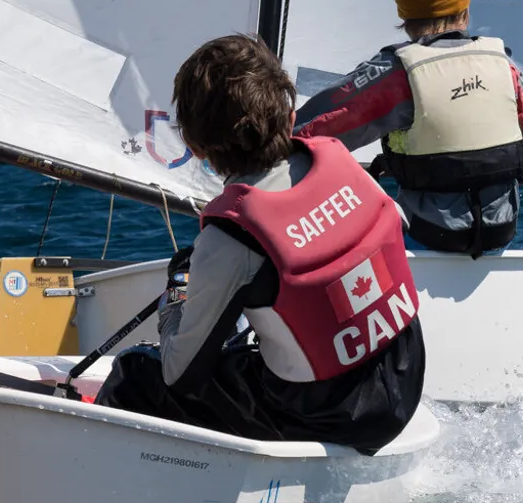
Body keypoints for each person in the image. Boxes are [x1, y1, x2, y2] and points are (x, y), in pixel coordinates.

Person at [96, 34, 425, 453]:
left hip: (329, 415)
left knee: (137, 374)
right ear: (290, 119)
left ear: (195, 148)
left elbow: (181, 375)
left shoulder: (230, 238)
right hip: (403, 376)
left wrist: (178, 296)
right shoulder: (345, 167)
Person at [295, 0, 523, 257]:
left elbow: (308, 133)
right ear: (465, 9)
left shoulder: (397, 71)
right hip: (500, 236)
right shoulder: (504, 65)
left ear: (404, 15)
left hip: (427, 237)